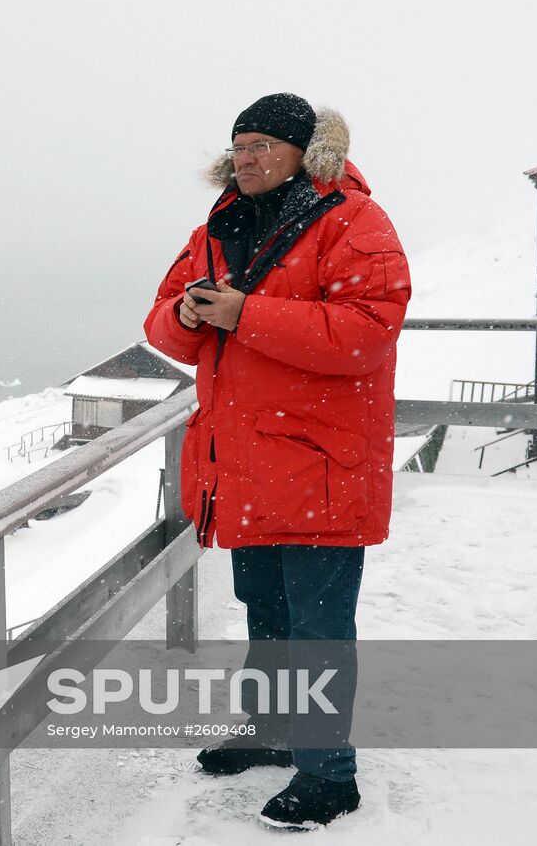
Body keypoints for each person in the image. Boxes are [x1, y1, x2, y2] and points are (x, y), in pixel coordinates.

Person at [143, 93, 410, 829]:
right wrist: (191, 314)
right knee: (269, 618)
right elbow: (161, 324)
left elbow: (368, 331)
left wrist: (245, 314)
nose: (246, 158)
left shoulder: (354, 220)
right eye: (238, 146)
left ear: (304, 152)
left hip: (321, 466)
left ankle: (329, 776)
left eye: (261, 144)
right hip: (248, 470)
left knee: (318, 629)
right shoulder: (216, 227)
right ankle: (272, 731)